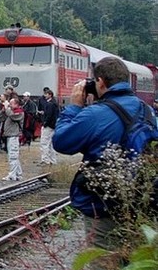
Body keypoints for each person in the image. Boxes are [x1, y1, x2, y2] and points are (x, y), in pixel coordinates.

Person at [52, 56, 149, 246]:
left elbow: (61, 141)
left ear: (101, 81)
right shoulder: (147, 111)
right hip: (141, 202)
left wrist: (74, 107)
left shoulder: (95, 114)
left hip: (104, 204)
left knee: (104, 265)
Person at [0, 95, 24, 181]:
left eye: (11, 103)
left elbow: (12, 116)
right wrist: (3, 111)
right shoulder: (10, 111)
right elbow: (0, 118)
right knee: (14, 157)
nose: (9, 105)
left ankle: (12, 175)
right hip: (9, 136)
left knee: (13, 157)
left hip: (14, 137)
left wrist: (7, 108)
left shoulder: (19, 112)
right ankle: (18, 174)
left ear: (16, 104)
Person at [38, 86, 59, 164]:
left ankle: (45, 159)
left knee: (44, 142)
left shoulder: (50, 104)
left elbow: (49, 116)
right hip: (53, 126)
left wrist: (45, 123)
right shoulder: (54, 103)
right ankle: (53, 160)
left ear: (50, 95)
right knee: (51, 144)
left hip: (48, 126)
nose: (45, 95)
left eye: (46, 94)